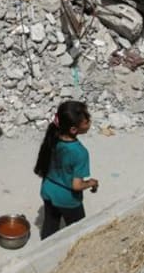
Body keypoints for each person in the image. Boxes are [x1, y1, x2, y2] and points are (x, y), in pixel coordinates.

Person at [34, 101, 99, 240]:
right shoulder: (80, 152)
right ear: (74, 130)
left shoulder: (52, 138)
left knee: (50, 224)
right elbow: (76, 185)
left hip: (48, 190)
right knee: (78, 230)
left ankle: (45, 250)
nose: (90, 122)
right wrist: (91, 183)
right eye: (87, 121)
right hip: (67, 198)